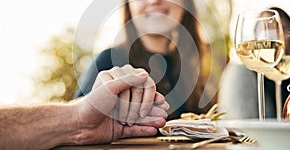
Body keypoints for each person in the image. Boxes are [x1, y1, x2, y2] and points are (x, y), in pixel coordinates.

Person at [75, 0, 216, 120]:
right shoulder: (108, 64)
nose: (153, 0)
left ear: (184, 0)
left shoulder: (193, 67)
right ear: (130, 8)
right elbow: (78, 126)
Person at [0, 65, 169, 149]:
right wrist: (77, 120)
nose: (153, 0)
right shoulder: (108, 58)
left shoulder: (191, 64)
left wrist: (78, 121)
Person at [218, 7, 290, 119]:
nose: (272, 35)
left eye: (281, 28)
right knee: (237, 72)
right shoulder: (246, 74)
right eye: (266, 30)